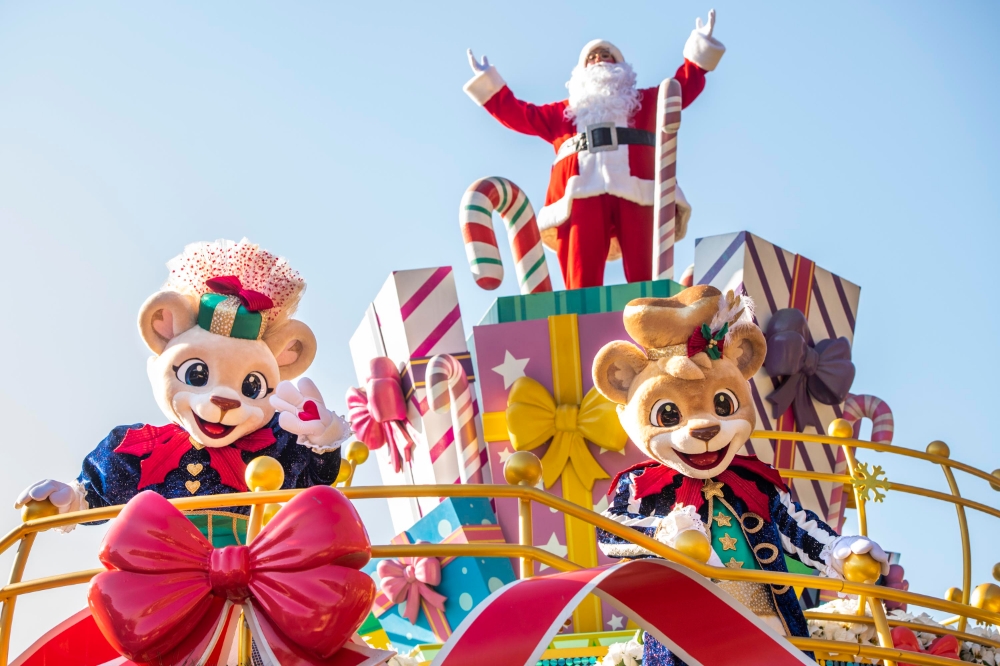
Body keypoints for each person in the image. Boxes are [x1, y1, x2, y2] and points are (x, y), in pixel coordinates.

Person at [464, 11, 725, 289]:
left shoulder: (643, 102)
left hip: (639, 189)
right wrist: (489, 83)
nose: (599, 60)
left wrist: (700, 48)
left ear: (621, 67)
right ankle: (581, 319)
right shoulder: (564, 113)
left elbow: (680, 88)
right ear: (581, 71)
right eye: (592, 58)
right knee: (581, 276)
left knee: (648, 277)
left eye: (606, 56)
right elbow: (519, 114)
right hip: (580, 193)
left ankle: (655, 316)